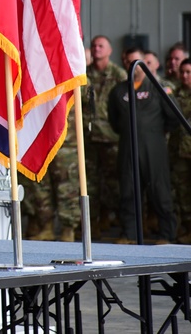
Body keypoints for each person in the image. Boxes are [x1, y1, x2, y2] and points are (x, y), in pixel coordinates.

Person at [108, 47, 179, 243]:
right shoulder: (118, 91)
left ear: (144, 63)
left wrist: (155, 132)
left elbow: (173, 117)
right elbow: (114, 120)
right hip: (128, 147)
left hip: (154, 146)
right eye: (127, 62)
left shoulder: (158, 87)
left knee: (160, 190)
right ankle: (130, 233)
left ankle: (166, 234)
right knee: (128, 190)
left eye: (134, 62)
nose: (130, 66)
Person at [85, 35, 127, 238]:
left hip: (112, 137)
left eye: (101, 46)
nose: (96, 49)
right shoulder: (84, 74)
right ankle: (93, 222)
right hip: (89, 138)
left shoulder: (119, 75)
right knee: (90, 183)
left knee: (113, 183)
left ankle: (115, 220)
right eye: (94, 45)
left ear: (110, 51)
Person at [169, 58, 191, 243]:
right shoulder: (176, 93)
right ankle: (187, 227)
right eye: (182, 72)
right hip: (179, 152)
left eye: (189, 72)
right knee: (182, 192)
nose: (184, 76)